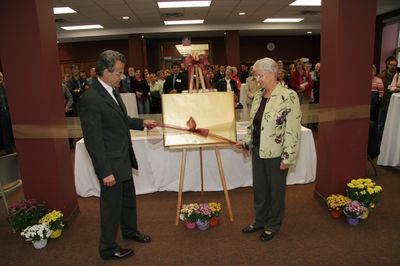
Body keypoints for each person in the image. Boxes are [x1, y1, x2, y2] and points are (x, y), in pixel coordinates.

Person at [79, 50, 157, 260]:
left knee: (128, 201)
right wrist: (105, 172)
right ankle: (107, 248)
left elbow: (121, 120)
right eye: (118, 73)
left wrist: (141, 123)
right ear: (105, 71)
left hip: (123, 158)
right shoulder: (91, 99)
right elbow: (93, 141)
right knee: (111, 208)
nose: (121, 77)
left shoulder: (112, 91)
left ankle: (130, 232)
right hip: (110, 165)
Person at [236, 57, 301, 242]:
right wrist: (247, 142)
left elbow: (293, 130)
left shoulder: (288, 96)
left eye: (259, 75)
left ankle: (273, 225)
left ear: (272, 73)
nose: (257, 79)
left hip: (277, 153)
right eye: (256, 76)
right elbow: (253, 125)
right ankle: (259, 220)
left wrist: (287, 157)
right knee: (260, 189)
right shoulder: (257, 96)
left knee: (275, 191)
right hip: (258, 150)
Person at [0, 71, 15, 154]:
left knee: (12, 128)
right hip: (1, 111)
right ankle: (9, 150)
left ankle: (16, 147)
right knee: (5, 131)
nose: (0, 78)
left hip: (9, 110)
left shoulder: (6, 86)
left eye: (1, 76)